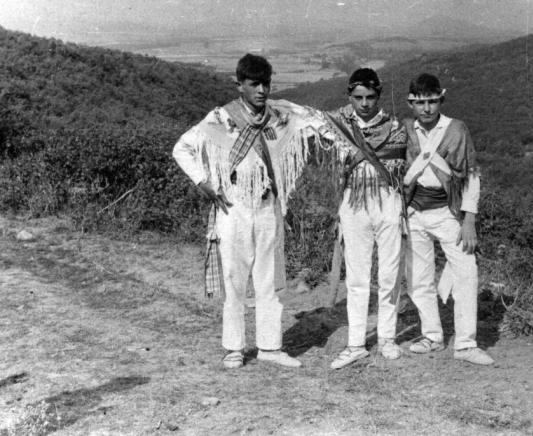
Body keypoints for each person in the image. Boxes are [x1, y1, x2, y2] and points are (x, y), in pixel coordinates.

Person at [173, 53, 322, 369]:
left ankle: (270, 347)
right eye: (255, 84)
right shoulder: (220, 118)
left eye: (266, 83)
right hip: (234, 206)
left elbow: (313, 122)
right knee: (235, 279)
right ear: (239, 84)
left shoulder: (278, 117)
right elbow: (182, 148)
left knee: (269, 280)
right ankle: (234, 348)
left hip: (267, 206)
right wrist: (204, 183)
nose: (262, 90)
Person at [402, 73, 494, 365]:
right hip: (414, 212)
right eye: (420, 103)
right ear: (411, 103)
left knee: (466, 273)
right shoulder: (405, 129)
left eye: (432, 101)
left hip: (448, 212)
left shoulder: (456, 129)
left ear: (441, 100)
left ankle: (466, 344)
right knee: (419, 278)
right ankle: (432, 335)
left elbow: (471, 174)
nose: (427, 109)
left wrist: (469, 221)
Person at [321, 68, 408, 370]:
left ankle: (387, 338)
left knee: (389, 274)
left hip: (388, 200)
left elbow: (406, 164)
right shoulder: (337, 125)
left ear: (378, 95)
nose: (365, 103)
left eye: (370, 97)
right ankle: (356, 343)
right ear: (350, 96)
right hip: (353, 202)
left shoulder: (395, 127)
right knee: (357, 277)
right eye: (358, 97)